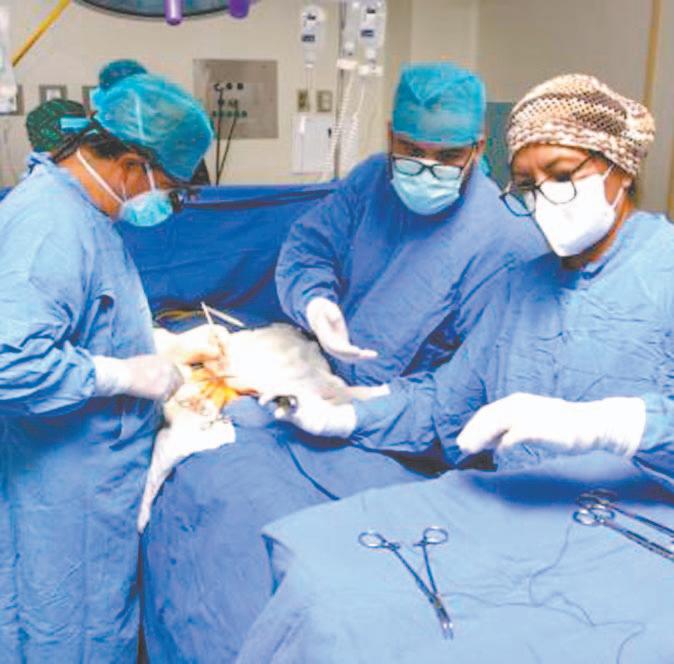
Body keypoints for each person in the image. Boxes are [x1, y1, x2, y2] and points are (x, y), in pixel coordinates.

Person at [272, 73, 674, 486]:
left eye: (561, 175)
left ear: (622, 169)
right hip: (517, 501)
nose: (545, 197)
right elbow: (446, 402)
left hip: (634, 514)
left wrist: (612, 426)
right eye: (527, 184)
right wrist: (346, 417)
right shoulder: (524, 286)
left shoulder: (663, 270)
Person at [0, 72, 214, 662]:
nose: (166, 202)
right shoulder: (50, 225)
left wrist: (155, 347)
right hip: (63, 493)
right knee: (64, 635)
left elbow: (85, 316)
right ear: (129, 165)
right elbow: (9, 363)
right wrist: (124, 375)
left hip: (87, 483)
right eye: (169, 188)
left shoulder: (83, 213)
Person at [276, 61, 546, 387]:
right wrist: (315, 303)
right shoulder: (373, 178)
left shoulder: (507, 241)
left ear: (478, 148)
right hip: (330, 375)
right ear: (390, 136)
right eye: (412, 150)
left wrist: (375, 406)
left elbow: (471, 381)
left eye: (448, 156)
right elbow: (310, 248)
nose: (427, 169)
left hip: (410, 407)